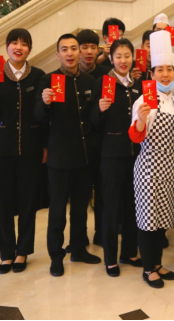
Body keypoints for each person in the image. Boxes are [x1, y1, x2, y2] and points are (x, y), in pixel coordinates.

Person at [0, 29, 46, 274]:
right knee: (2, 203)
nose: (19, 47)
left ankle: (22, 252)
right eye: (14, 43)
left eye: (24, 44)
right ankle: (6, 254)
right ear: (7, 47)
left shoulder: (38, 76)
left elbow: (42, 115)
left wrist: (45, 145)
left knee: (28, 202)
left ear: (30, 49)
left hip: (30, 149)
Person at [35, 34, 102, 277]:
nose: (70, 53)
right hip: (59, 156)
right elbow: (38, 116)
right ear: (58, 54)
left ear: (80, 52)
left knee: (80, 209)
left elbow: (93, 117)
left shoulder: (89, 80)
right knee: (57, 211)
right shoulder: (48, 79)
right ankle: (56, 255)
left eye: (74, 48)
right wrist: (44, 103)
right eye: (65, 49)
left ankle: (78, 248)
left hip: (84, 155)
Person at [128, 30, 174, 288]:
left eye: (169, 69)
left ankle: (158, 263)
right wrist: (140, 120)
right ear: (152, 74)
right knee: (148, 220)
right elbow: (135, 136)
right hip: (149, 167)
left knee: (162, 221)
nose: (165, 74)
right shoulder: (143, 101)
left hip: (170, 168)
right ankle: (148, 268)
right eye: (160, 70)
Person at [90, 39, 143, 277]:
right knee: (111, 207)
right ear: (111, 58)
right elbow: (92, 121)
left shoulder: (138, 84)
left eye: (127, 56)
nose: (123, 61)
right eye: (118, 56)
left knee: (133, 204)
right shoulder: (104, 82)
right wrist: (100, 109)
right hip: (111, 155)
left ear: (133, 57)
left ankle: (129, 252)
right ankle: (110, 258)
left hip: (136, 154)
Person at [77, 28, 111, 246]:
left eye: (93, 47)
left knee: (102, 192)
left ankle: (101, 233)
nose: (89, 52)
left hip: (101, 141)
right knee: (80, 194)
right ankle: (78, 238)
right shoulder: (68, 75)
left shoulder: (106, 73)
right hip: (78, 142)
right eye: (84, 47)